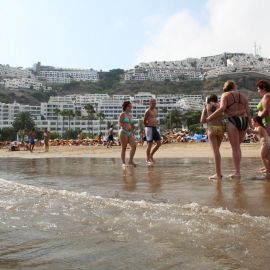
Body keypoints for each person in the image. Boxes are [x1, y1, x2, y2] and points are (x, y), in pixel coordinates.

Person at [206, 80, 252, 178]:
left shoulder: (225, 95)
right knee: (237, 148)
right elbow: (248, 111)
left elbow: (222, 108)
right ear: (234, 86)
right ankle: (237, 171)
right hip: (244, 120)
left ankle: (237, 173)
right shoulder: (243, 96)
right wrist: (251, 126)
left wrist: (210, 117)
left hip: (233, 121)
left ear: (226, 87)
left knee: (235, 148)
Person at [201, 94, 224, 180]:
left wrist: (204, 111)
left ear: (208, 100)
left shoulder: (207, 106)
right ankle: (218, 173)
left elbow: (202, 121)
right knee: (217, 151)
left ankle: (218, 174)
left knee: (215, 152)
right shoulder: (220, 105)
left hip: (212, 128)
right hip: (221, 128)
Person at [118, 101, 137, 167]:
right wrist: (125, 127)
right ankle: (123, 162)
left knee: (134, 146)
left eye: (131, 106)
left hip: (129, 132)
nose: (130, 107)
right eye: (129, 106)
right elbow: (119, 123)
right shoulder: (122, 114)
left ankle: (130, 161)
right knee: (124, 147)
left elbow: (130, 124)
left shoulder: (130, 115)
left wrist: (132, 131)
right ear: (126, 107)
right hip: (123, 132)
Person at [144, 99, 161, 165]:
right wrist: (147, 128)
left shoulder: (155, 110)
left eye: (155, 103)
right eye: (153, 103)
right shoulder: (147, 111)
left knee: (159, 143)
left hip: (154, 128)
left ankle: (151, 155)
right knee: (150, 145)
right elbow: (144, 120)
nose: (154, 104)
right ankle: (148, 159)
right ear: (150, 103)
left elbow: (154, 118)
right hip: (149, 128)